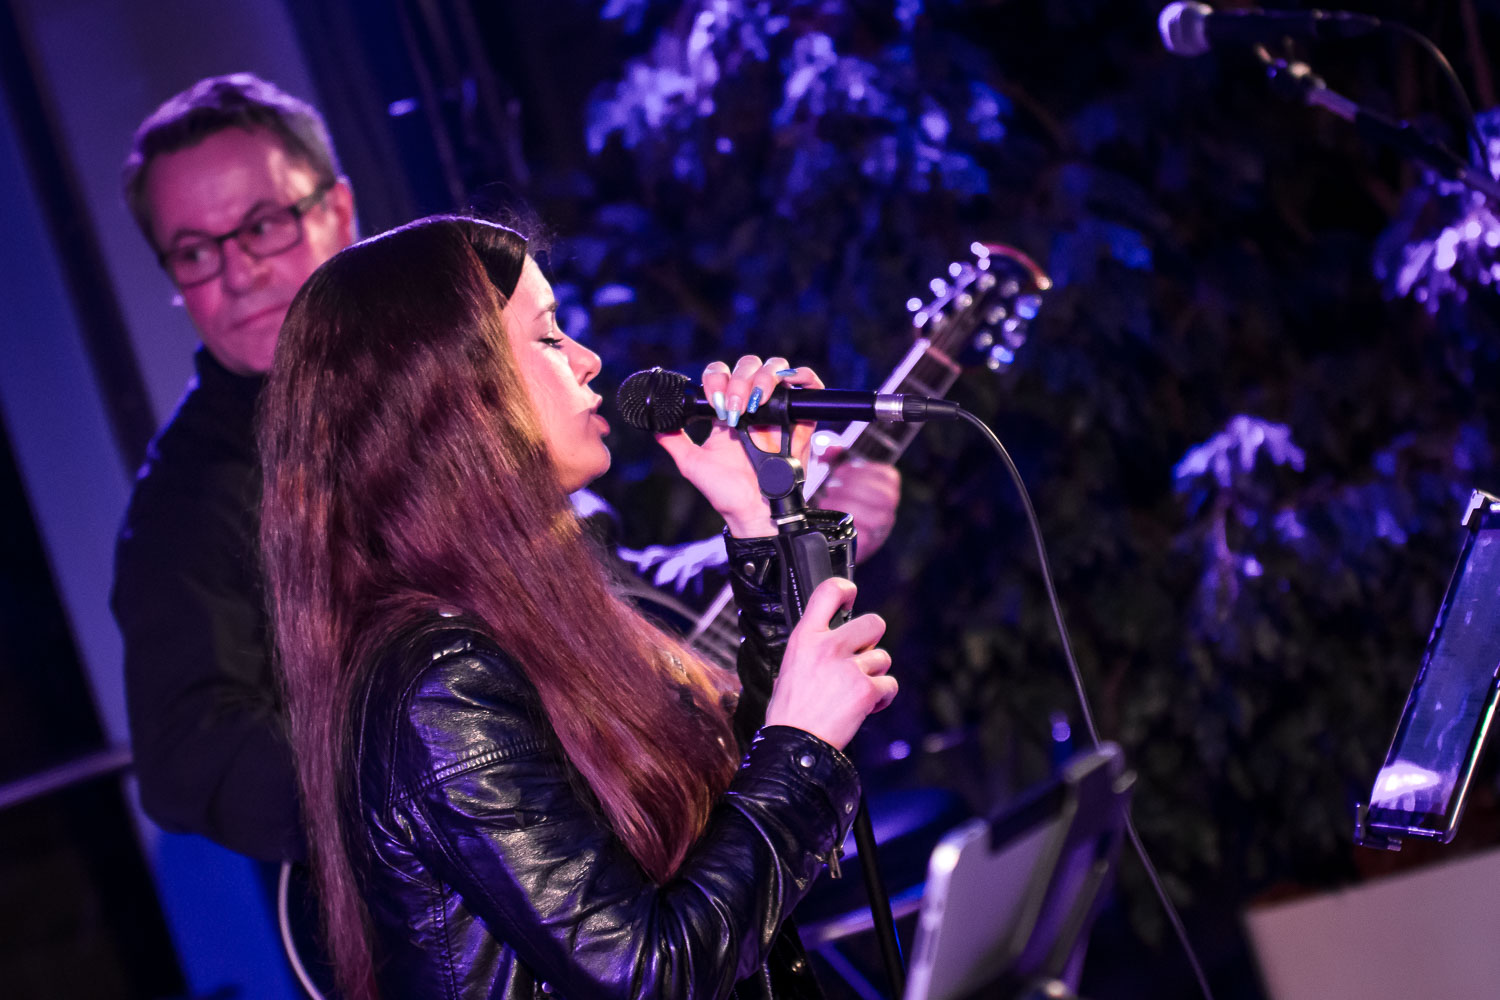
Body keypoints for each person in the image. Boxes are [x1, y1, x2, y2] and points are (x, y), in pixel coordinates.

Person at [111, 72, 899, 869]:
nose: (238, 271)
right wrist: (455, 788)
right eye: (195, 252)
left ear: (338, 210)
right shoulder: (189, 507)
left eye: (262, 226)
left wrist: (775, 530)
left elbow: (617, 596)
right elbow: (189, 756)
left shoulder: (466, 418)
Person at [258, 215, 897, 999]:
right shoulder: (442, 686)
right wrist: (801, 746)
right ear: (457, 397)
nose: (590, 360)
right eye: (550, 336)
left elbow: (731, 833)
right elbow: (645, 973)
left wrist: (762, 518)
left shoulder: (547, 614)